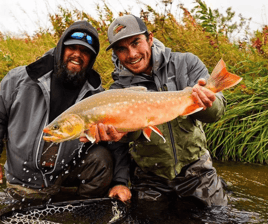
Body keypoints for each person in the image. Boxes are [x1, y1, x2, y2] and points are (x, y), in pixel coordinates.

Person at [0, 21, 125, 211]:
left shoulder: (96, 95)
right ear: (60, 48)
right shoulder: (19, 80)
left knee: (102, 159)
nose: (77, 54)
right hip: (20, 181)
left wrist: (120, 180)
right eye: (72, 48)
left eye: (85, 51)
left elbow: (114, 143)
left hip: (61, 176)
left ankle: (79, 211)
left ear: (91, 58)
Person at [107, 15, 228, 207]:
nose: (131, 54)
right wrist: (120, 180)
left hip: (197, 171)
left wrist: (207, 102)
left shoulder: (187, 63)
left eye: (136, 43)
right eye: (122, 49)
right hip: (149, 179)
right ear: (115, 53)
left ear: (150, 38)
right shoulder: (116, 91)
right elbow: (121, 144)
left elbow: (216, 114)